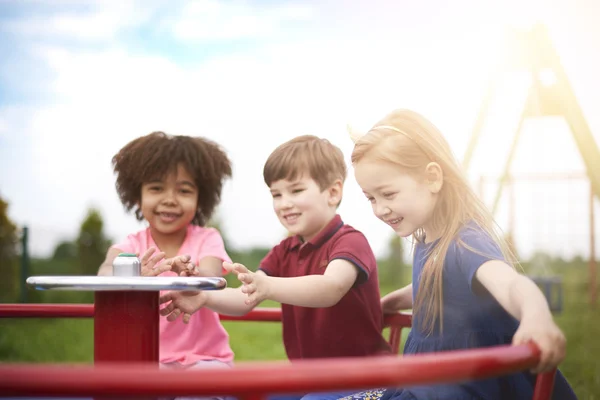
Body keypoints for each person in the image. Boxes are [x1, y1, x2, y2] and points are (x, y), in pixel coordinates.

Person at [342, 109, 577, 399]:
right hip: (427, 380)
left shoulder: (466, 242)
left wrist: (537, 315)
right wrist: (391, 302)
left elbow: (511, 284)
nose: (379, 209)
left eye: (388, 194)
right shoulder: (430, 240)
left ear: (432, 178)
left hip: (460, 387)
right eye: (371, 198)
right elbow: (435, 285)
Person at [159, 135, 392, 400]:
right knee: (260, 393)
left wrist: (268, 286)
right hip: (311, 380)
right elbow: (248, 295)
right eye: (276, 194)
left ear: (333, 192)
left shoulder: (349, 241)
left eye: (296, 190)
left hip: (364, 380)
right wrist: (204, 297)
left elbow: (331, 287)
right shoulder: (284, 251)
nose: (284, 203)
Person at [97, 131, 235, 384]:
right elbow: (104, 273)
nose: (169, 200)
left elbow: (212, 274)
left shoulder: (207, 238)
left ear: (200, 198)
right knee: (131, 386)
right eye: (156, 188)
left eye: (183, 191)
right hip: (147, 358)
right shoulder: (131, 245)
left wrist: (192, 275)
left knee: (202, 387)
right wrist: (134, 275)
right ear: (137, 196)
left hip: (205, 358)